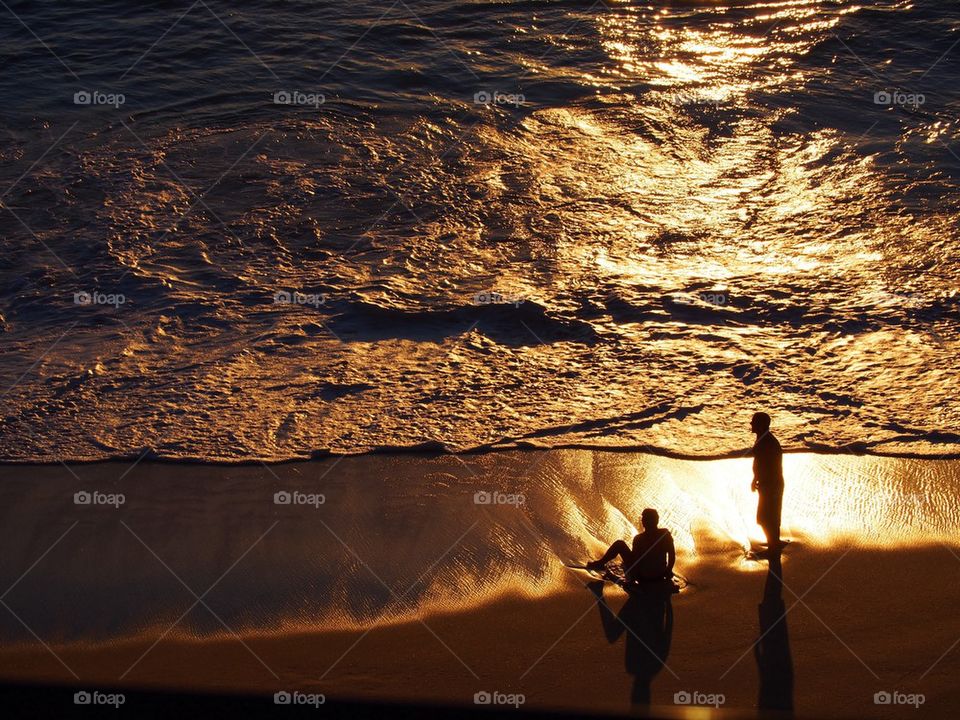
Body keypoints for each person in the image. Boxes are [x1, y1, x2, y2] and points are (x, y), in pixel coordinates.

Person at [587, 509, 675, 582]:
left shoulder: (639, 538)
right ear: (657, 521)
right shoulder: (665, 534)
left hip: (642, 576)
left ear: (644, 522)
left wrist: (626, 567)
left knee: (619, 544)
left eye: (644, 519)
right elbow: (672, 555)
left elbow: (635, 561)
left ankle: (600, 563)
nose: (642, 521)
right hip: (660, 574)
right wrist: (669, 570)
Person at [750, 411, 784, 549]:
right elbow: (759, 464)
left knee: (766, 518)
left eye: (754, 422)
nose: (751, 424)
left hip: (772, 484)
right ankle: (774, 542)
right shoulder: (762, 438)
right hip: (768, 484)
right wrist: (755, 479)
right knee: (768, 517)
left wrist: (767, 484)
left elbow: (772, 467)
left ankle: (773, 545)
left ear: (761, 425)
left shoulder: (768, 442)